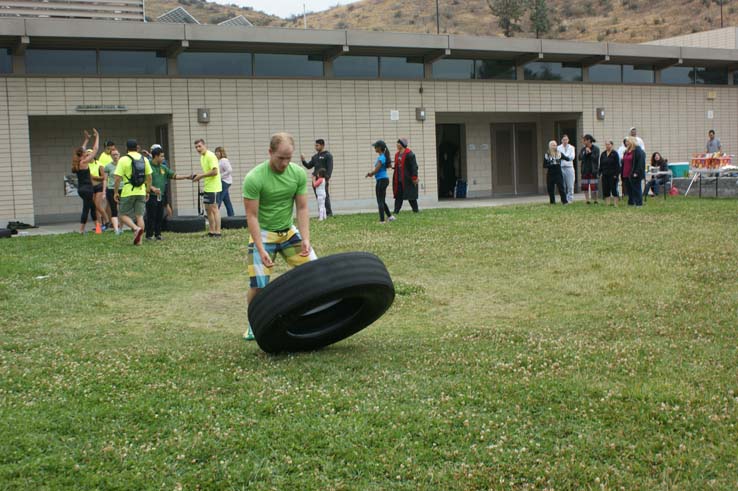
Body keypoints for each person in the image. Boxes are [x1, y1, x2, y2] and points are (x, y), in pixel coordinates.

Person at [242, 132, 317, 341]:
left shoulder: (298, 174)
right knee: (258, 285)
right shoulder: (254, 178)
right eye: (280, 158)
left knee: (315, 272)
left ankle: (310, 315)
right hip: (264, 233)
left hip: (288, 231)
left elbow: (302, 208)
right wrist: (260, 247)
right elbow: (252, 216)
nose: (284, 163)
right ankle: (253, 322)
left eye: (288, 158)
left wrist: (305, 238)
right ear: (270, 152)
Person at [114, 139, 152, 245]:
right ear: (137, 147)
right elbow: (149, 177)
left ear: (126, 148)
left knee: (121, 214)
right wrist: (147, 191)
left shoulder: (123, 160)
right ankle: (139, 241)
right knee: (139, 216)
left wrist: (116, 192)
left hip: (128, 191)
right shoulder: (144, 159)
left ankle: (135, 228)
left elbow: (117, 178)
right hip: (141, 191)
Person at [147, 147, 190, 240]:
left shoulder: (163, 167)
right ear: (155, 156)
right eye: (161, 156)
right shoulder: (148, 167)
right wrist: (152, 188)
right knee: (151, 216)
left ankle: (158, 234)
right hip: (150, 196)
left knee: (159, 215)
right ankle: (149, 235)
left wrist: (187, 177)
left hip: (160, 195)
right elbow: (143, 181)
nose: (163, 158)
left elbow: (174, 176)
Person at [192, 139, 222, 238]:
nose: (198, 149)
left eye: (199, 146)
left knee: (214, 209)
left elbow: (215, 172)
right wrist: (199, 175)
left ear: (204, 145)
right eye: (196, 147)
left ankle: (218, 232)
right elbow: (207, 172)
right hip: (207, 186)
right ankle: (211, 231)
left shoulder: (210, 156)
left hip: (214, 187)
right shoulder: (202, 157)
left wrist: (200, 176)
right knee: (208, 209)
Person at [71, 129, 99, 234]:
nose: (87, 152)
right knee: (86, 209)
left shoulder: (77, 162)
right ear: (83, 154)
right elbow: (95, 149)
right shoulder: (84, 162)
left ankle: (98, 228)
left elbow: (81, 149)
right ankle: (81, 230)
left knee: (92, 207)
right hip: (88, 189)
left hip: (81, 189)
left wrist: (86, 139)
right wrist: (97, 137)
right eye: (85, 152)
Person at [301, 138, 333, 217]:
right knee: (318, 197)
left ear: (322, 145)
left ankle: (328, 213)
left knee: (325, 196)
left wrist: (326, 178)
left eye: (317, 145)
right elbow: (309, 166)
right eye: (315, 145)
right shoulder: (315, 157)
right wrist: (303, 160)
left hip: (322, 180)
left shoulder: (328, 155)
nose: (315, 147)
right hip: (315, 179)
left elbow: (330, 168)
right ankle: (322, 214)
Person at [366, 140, 396, 222]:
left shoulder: (381, 157)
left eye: (375, 146)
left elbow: (376, 170)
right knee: (382, 200)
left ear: (379, 148)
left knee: (380, 200)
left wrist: (370, 174)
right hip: (383, 180)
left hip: (381, 180)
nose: (374, 148)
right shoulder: (383, 157)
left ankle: (382, 220)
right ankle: (390, 217)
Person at [393, 137, 419, 213]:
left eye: (398, 143)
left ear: (402, 144)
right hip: (399, 179)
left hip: (408, 179)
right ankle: (396, 211)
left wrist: (414, 177)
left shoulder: (410, 154)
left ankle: (415, 210)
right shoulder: (397, 155)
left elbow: (414, 166)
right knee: (398, 196)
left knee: (411, 196)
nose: (397, 144)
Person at [88, 149, 110, 233]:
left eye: (89, 154)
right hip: (90, 187)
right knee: (94, 207)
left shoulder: (99, 164)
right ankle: (99, 226)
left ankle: (107, 220)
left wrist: (94, 177)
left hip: (98, 186)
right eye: (86, 155)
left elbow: (103, 177)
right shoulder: (86, 165)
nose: (88, 156)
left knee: (97, 204)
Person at [621, 136, 646, 207]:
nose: (626, 143)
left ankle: (639, 203)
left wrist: (636, 172)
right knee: (629, 189)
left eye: (628, 141)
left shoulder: (637, 150)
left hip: (634, 173)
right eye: (626, 142)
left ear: (632, 142)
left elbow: (640, 163)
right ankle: (631, 202)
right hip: (626, 173)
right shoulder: (626, 151)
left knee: (636, 188)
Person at [543, 140, 567, 205]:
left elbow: (566, 158)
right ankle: (552, 202)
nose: (555, 146)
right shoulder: (546, 155)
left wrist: (569, 158)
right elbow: (544, 165)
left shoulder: (559, 153)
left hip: (558, 173)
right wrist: (551, 164)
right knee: (550, 189)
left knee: (561, 187)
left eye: (556, 145)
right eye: (553, 145)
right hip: (550, 174)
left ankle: (564, 201)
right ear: (550, 146)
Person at [103, 148, 122, 234]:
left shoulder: (123, 165)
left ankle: (121, 227)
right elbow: (105, 180)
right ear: (111, 156)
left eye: (116, 154)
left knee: (123, 210)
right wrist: (104, 191)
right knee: (114, 209)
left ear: (119, 155)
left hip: (123, 188)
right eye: (113, 155)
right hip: (111, 189)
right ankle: (116, 229)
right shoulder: (108, 166)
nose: (115, 156)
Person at [579, 134, 600, 204]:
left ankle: (595, 200)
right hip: (585, 170)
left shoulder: (596, 149)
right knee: (585, 186)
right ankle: (587, 200)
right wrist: (585, 152)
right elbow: (580, 157)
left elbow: (596, 158)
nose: (583, 141)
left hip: (593, 170)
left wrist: (590, 153)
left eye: (584, 140)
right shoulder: (583, 149)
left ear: (589, 140)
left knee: (594, 187)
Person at [599, 140, 621, 207]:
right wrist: (599, 173)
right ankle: (607, 204)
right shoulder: (603, 154)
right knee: (606, 189)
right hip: (605, 174)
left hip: (613, 175)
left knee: (614, 189)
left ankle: (615, 204)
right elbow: (601, 165)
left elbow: (617, 165)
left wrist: (616, 175)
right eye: (606, 144)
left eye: (608, 144)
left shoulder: (615, 153)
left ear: (612, 145)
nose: (607, 146)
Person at [215, 146, 235, 217]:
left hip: (225, 182)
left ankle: (214, 216)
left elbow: (229, 170)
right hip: (224, 181)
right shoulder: (219, 161)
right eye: (216, 152)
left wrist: (220, 176)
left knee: (219, 199)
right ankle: (232, 216)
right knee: (227, 201)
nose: (216, 153)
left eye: (218, 152)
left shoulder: (224, 160)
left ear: (221, 153)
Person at [557, 134, 576, 204]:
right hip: (561, 167)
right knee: (563, 185)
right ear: (561, 140)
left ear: (568, 140)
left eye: (566, 140)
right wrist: (566, 157)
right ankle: (564, 199)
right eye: (563, 140)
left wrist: (564, 157)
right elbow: (558, 157)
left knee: (570, 185)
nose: (565, 141)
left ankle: (570, 199)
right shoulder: (558, 148)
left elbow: (572, 157)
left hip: (569, 168)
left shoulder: (571, 148)